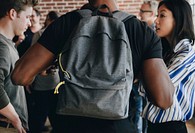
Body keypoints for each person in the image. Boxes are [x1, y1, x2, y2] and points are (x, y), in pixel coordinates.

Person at [11, 0, 174, 133]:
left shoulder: (67, 23)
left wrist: (50, 65)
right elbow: (164, 100)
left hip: (69, 125)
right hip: (118, 125)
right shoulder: (141, 31)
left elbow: (20, 76)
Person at [140, 0, 195, 133]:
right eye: (157, 15)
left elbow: (158, 90)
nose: (156, 21)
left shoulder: (186, 55)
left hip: (171, 127)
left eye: (162, 15)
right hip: (152, 124)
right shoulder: (165, 50)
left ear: (178, 19)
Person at [0, 0, 38, 132]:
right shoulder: (2, 47)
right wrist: (15, 118)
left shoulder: (9, 44)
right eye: (27, 17)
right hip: (8, 127)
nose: (29, 23)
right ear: (12, 13)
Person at [30, 11, 60, 133]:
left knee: (49, 115)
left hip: (52, 81)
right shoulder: (40, 34)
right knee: (43, 115)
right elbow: (32, 58)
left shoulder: (43, 34)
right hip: (45, 81)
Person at [131, 1, 159, 133]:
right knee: (137, 113)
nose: (139, 14)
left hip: (148, 83)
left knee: (144, 114)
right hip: (137, 82)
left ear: (152, 14)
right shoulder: (140, 31)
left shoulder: (157, 34)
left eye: (142, 11)